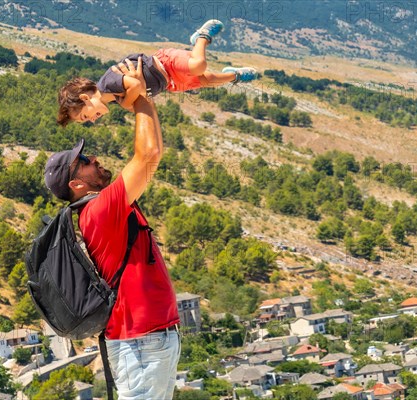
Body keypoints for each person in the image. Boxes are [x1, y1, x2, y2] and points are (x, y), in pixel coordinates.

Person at [44, 58, 179, 399]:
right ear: (76, 183)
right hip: (141, 343)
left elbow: (152, 153)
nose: (94, 160)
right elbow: (148, 155)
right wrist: (141, 98)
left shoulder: (100, 208)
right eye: (85, 163)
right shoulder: (101, 209)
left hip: (145, 340)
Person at [56, 19, 257, 126]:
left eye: (85, 117)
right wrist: (129, 102)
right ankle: (235, 75)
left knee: (199, 67)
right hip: (169, 81)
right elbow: (140, 102)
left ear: (85, 98)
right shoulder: (116, 97)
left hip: (165, 63)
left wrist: (128, 102)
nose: (92, 120)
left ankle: (201, 37)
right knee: (207, 80)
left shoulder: (108, 83)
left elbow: (136, 86)